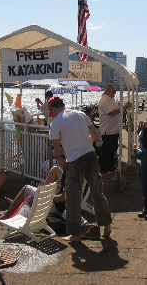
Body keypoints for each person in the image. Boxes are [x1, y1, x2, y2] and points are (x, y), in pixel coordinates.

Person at [48, 96, 112, 241]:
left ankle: (75, 234)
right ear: (63, 104)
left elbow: (57, 152)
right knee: (97, 191)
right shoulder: (81, 114)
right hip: (90, 155)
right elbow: (95, 136)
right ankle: (107, 226)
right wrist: (82, 143)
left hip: (74, 160)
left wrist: (60, 154)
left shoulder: (56, 123)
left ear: (52, 109)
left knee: (72, 196)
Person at [0, 154, 67, 221]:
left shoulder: (68, 177)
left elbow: (63, 198)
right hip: (53, 202)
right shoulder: (67, 172)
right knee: (53, 171)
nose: (58, 162)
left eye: (59, 160)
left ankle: (7, 215)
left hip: (56, 208)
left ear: (65, 160)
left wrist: (49, 195)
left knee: (26, 189)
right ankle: (9, 210)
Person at [97, 83, 132, 173]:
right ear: (107, 91)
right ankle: (104, 169)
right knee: (107, 151)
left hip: (114, 129)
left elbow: (117, 109)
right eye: (113, 91)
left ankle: (110, 167)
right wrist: (124, 107)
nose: (114, 93)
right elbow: (112, 112)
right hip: (107, 130)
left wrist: (122, 106)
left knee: (112, 149)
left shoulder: (111, 99)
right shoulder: (104, 100)